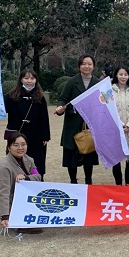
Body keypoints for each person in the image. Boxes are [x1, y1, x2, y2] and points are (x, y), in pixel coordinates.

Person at [0, 67, 50, 179]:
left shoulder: (40, 97)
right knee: (16, 160)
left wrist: (45, 136)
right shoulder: (12, 95)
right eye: (26, 78)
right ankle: (15, 182)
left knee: (37, 161)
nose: (29, 81)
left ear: (36, 80)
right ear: (21, 79)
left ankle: (36, 181)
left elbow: (44, 118)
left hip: (35, 136)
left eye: (32, 78)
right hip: (16, 134)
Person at [54, 54, 99, 184]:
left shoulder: (97, 83)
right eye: (84, 64)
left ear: (93, 66)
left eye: (89, 64)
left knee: (89, 153)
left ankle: (88, 180)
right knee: (71, 155)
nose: (86, 66)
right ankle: (73, 181)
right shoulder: (72, 82)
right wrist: (60, 107)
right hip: (73, 124)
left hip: (90, 124)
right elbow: (63, 99)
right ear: (79, 66)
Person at [0, 133, 42, 233]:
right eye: (16, 145)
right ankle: (17, 222)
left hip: (28, 199)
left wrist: (26, 177)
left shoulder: (29, 160)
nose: (20, 148)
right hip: (14, 201)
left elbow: (38, 176)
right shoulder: (4, 166)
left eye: (23, 144)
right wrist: (5, 216)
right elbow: (2, 193)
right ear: (9, 147)